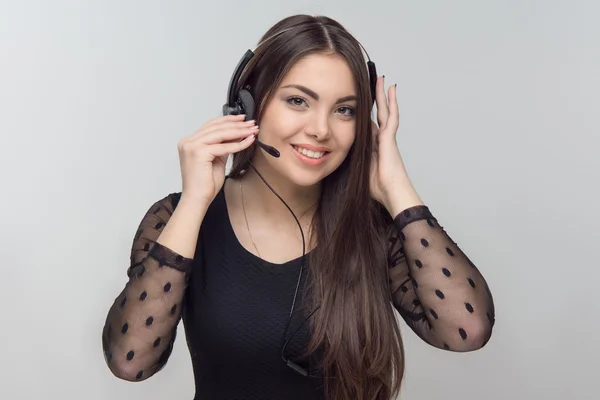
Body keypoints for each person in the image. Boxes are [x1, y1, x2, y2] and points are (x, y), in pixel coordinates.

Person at [101, 14, 495, 400]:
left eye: (345, 110)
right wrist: (195, 201)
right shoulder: (180, 219)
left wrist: (395, 187)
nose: (321, 129)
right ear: (247, 104)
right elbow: (130, 361)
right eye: (297, 101)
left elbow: (467, 329)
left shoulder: (374, 228)